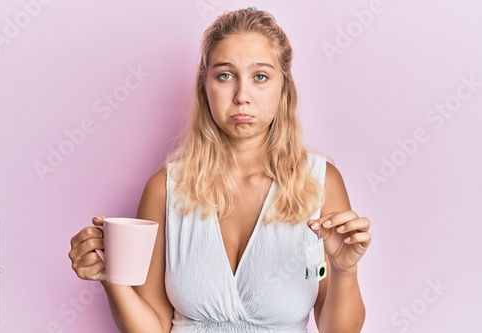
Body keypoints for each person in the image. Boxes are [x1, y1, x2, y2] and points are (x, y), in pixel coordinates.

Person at [69, 8, 371, 333]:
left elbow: (338, 330)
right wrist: (110, 276)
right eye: (225, 75)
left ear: (284, 88)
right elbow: (152, 326)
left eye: (260, 77)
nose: (242, 96)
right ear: (205, 86)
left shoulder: (320, 183)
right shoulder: (165, 188)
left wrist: (344, 271)